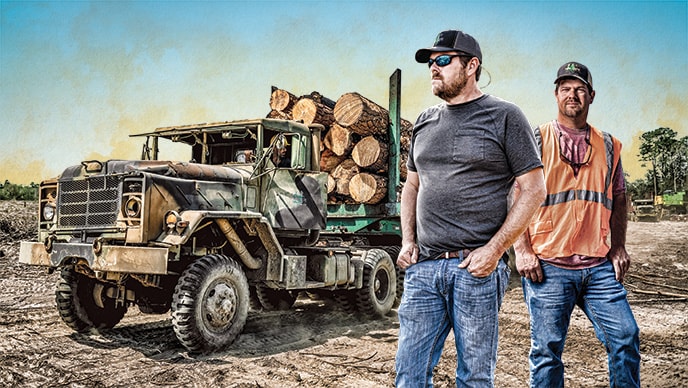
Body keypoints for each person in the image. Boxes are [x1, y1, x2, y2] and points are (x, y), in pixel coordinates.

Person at [394, 29, 546, 387]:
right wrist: (407, 241)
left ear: (472, 65)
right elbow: (412, 185)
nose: (434, 68)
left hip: (474, 271)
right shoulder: (424, 121)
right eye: (431, 63)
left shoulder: (505, 116)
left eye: (444, 61)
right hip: (424, 270)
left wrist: (495, 251)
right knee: (409, 375)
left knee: (474, 377)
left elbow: (534, 189)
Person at [513, 62, 641, 387]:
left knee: (626, 336)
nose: (573, 94)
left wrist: (619, 246)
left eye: (580, 88)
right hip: (548, 266)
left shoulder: (609, 144)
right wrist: (522, 250)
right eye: (566, 88)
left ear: (591, 96)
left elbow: (620, 199)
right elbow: (514, 197)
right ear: (556, 95)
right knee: (547, 351)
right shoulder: (535, 139)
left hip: (598, 266)